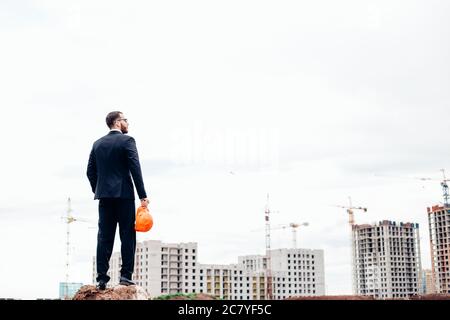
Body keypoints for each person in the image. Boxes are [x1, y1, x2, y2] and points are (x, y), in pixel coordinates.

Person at [87, 111, 149, 290]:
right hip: (124, 195)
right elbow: (135, 168)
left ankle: (101, 279)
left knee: (104, 237)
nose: (127, 123)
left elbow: (90, 172)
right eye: (125, 120)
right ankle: (125, 276)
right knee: (127, 236)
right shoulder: (127, 141)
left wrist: (99, 189)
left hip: (104, 197)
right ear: (117, 122)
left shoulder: (97, 144)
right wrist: (142, 196)